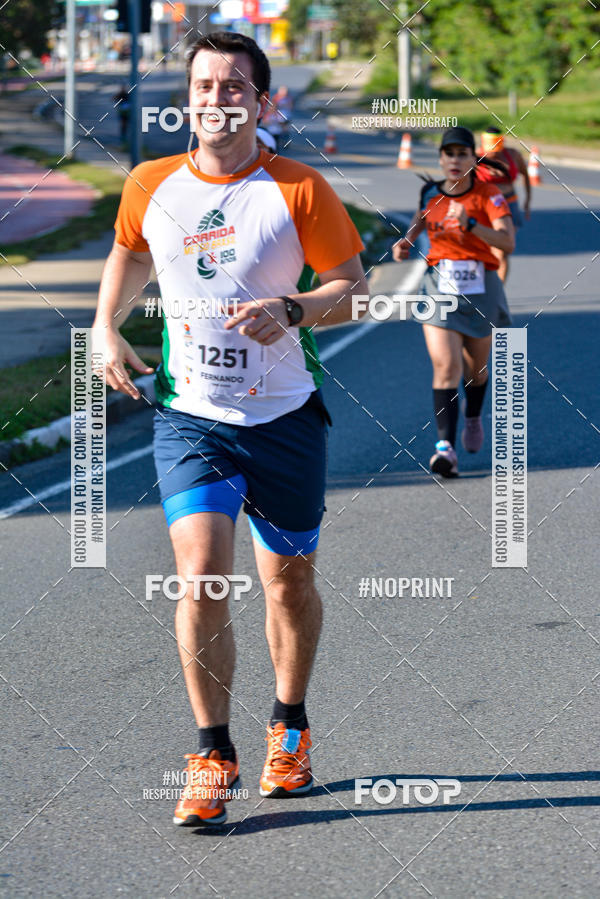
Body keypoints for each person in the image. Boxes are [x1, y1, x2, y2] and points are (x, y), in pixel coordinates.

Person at [92, 31, 366, 826]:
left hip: (283, 418)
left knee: (287, 581)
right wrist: (106, 326)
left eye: (234, 86)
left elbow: (350, 287)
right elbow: (128, 252)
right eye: (205, 85)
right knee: (202, 574)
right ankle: (213, 752)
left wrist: (293, 309)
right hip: (192, 417)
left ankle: (290, 725)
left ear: (262, 100)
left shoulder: (299, 189)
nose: (218, 99)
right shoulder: (151, 183)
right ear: (189, 96)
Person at [392, 126, 515, 478]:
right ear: (441, 159)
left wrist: (473, 225)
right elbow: (418, 226)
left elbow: (507, 243)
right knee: (446, 366)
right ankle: (445, 449)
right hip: (438, 289)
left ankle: (473, 416)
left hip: (481, 288)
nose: (455, 160)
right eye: (449, 154)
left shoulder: (489, 195)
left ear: (472, 158)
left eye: (463, 154)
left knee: (475, 370)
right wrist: (405, 243)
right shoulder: (431, 193)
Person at [476, 125, 531, 282]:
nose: (494, 152)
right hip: (485, 208)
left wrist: (527, 202)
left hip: (509, 205)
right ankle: (484, 287)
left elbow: (526, 175)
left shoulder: (512, 155)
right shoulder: (474, 158)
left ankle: (499, 291)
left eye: (497, 148)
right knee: (486, 250)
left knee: (501, 251)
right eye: (490, 148)